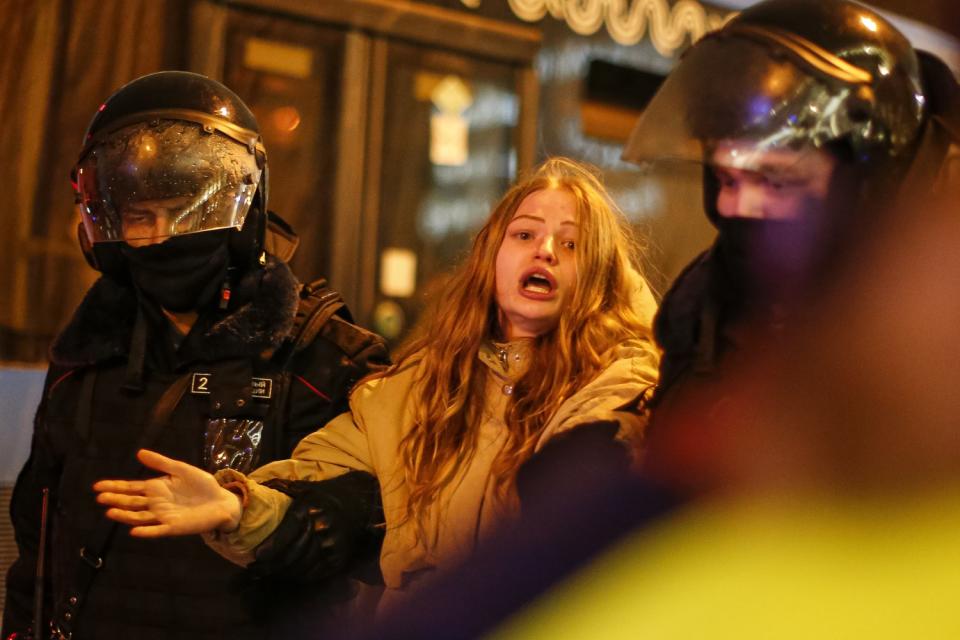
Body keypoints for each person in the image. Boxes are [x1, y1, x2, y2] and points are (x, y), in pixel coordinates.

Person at [93, 157, 661, 619]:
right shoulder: (415, 390)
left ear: (600, 275)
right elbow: (321, 482)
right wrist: (239, 505)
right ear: (491, 256)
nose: (544, 251)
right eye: (526, 234)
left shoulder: (620, 377)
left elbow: (589, 469)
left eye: (571, 244)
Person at [2, 71, 389, 640]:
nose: (162, 236)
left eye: (186, 213)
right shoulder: (85, 354)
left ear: (243, 212)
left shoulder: (320, 357)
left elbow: (367, 534)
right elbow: (38, 542)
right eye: (141, 218)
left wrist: (245, 514)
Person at [620, 0, 960, 425]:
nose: (740, 207)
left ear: (870, 186)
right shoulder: (701, 305)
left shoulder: (935, 341)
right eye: (727, 180)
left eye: (778, 182)